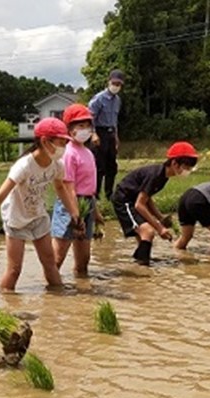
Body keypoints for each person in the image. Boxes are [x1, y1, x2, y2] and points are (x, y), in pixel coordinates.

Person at [0, 117, 83, 291]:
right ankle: (5, 305)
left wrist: (74, 213)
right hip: (16, 219)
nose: (64, 147)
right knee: (14, 269)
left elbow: (60, 188)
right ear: (45, 141)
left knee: (50, 263)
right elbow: (1, 195)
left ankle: (57, 300)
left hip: (38, 217)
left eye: (65, 142)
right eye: (61, 142)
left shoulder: (57, 165)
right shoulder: (24, 166)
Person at [112, 141, 199, 265]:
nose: (188, 171)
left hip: (134, 199)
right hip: (124, 200)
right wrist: (160, 228)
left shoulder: (163, 176)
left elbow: (147, 198)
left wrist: (160, 217)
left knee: (144, 236)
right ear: (174, 163)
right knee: (148, 231)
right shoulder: (155, 175)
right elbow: (139, 204)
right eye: (186, 167)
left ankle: (140, 262)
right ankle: (143, 268)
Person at [51, 103, 102, 277]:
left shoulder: (87, 152)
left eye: (88, 126)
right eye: (81, 126)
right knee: (57, 257)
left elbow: (89, 187)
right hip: (69, 204)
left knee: (84, 260)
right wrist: (75, 214)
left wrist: (95, 211)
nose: (86, 130)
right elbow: (68, 186)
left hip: (86, 203)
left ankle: (81, 293)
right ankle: (50, 293)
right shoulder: (69, 153)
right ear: (69, 129)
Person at [88, 69, 125, 199]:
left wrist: (116, 136)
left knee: (112, 166)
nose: (116, 86)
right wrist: (93, 133)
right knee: (99, 166)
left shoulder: (117, 100)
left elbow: (115, 120)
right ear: (109, 81)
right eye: (114, 83)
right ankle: (95, 194)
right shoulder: (99, 99)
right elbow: (90, 117)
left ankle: (109, 195)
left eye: (119, 84)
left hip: (111, 133)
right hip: (99, 132)